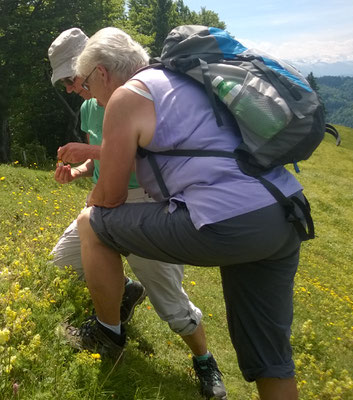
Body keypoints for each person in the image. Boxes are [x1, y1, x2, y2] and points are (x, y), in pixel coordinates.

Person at [70, 27, 306, 400]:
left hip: (227, 222)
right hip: (283, 214)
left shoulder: (126, 98)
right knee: (272, 358)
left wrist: (93, 199)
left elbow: (112, 197)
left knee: (92, 225)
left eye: (86, 84)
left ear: (102, 72)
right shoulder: (187, 80)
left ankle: (106, 334)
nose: (90, 96)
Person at [48, 28, 226, 399]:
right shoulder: (88, 107)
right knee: (61, 266)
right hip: (104, 199)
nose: (69, 87)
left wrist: (90, 152)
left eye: (70, 78)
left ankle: (205, 361)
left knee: (172, 306)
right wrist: (78, 170)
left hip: (147, 202)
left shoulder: (141, 96)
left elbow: (139, 153)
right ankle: (123, 296)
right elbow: (100, 164)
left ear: (96, 69)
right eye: (65, 82)